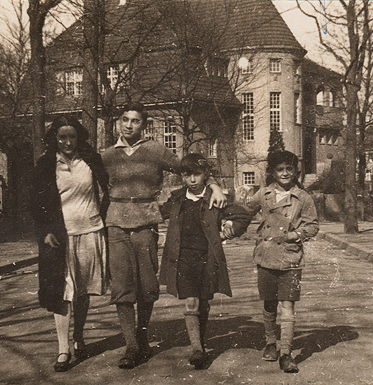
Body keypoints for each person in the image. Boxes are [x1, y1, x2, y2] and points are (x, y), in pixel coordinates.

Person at [101, 102, 226, 369]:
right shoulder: (107, 155)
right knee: (122, 288)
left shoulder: (156, 150)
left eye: (135, 121)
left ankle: (143, 338)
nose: (129, 125)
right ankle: (131, 346)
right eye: (125, 120)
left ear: (143, 125)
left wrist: (214, 185)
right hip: (116, 224)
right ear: (119, 122)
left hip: (146, 222)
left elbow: (190, 168)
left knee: (147, 287)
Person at [30, 116, 110, 372]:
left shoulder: (91, 160)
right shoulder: (45, 165)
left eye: (72, 137)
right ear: (55, 138)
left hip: (91, 231)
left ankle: (79, 337)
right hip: (61, 237)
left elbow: (110, 187)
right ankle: (63, 349)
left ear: (79, 137)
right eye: (62, 137)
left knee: (82, 291)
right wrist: (44, 231)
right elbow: (34, 203)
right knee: (63, 292)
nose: (67, 142)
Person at [159, 153, 251, 369]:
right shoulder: (177, 198)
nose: (192, 180)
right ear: (182, 176)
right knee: (191, 301)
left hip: (207, 258)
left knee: (204, 301)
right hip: (183, 258)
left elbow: (243, 216)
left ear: (205, 175)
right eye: (187, 175)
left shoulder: (215, 198)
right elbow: (156, 213)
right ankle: (197, 349)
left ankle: (200, 339)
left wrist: (226, 233)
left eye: (197, 175)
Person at [245, 150, 319, 373]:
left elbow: (313, 226)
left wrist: (292, 236)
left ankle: (286, 353)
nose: (285, 173)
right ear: (272, 172)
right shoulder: (263, 194)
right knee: (269, 303)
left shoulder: (303, 197)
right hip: (266, 256)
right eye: (280, 169)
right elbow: (245, 212)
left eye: (289, 169)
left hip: (291, 258)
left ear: (295, 171)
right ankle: (270, 343)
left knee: (287, 305)